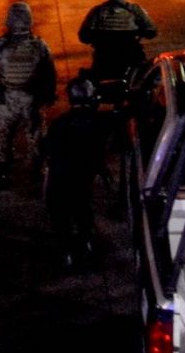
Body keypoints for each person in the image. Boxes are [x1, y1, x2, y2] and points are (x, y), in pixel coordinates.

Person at [0, 1, 57, 185]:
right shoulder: (40, 46)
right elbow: (50, 74)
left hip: (7, 100)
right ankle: (38, 176)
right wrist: (46, 97)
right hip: (31, 101)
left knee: (3, 139)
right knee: (36, 139)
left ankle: (2, 174)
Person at [41, 73, 113, 267]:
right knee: (82, 211)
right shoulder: (100, 121)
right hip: (82, 179)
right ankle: (85, 245)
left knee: (60, 217)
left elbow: (45, 149)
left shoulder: (59, 123)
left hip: (59, 178)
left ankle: (66, 253)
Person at [78, 0, 159, 83]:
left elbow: (83, 36)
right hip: (131, 60)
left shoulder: (97, 11)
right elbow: (152, 31)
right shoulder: (135, 10)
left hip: (104, 61)